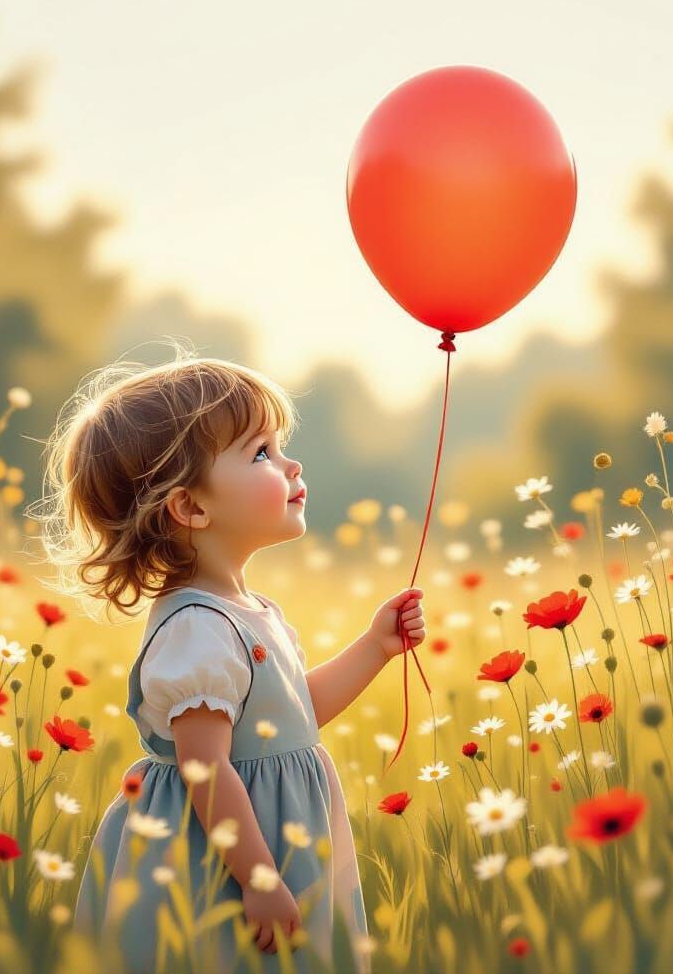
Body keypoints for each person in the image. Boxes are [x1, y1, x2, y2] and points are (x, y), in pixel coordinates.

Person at [37, 349, 426, 972]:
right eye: (261, 453)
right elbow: (205, 766)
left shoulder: (248, 610)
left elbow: (296, 715)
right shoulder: (199, 629)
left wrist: (375, 647)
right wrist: (258, 877)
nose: (291, 462)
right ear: (191, 507)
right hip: (217, 857)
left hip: (271, 833)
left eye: (280, 443)